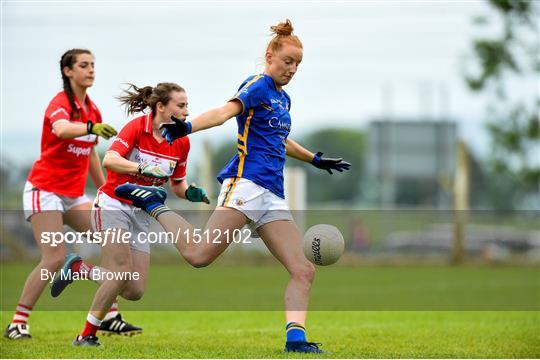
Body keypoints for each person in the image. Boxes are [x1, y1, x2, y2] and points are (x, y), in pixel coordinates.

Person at [115, 20, 350, 353]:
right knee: (198, 256)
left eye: (298, 64)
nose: (293, 69)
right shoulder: (257, 85)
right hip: (246, 185)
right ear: (270, 55)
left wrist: (314, 159)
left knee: (303, 269)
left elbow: (280, 140)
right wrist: (188, 128)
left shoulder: (284, 100)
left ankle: (295, 341)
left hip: (272, 194)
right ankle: (154, 203)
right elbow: (224, 113)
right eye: (288, 61)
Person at [3, 48, 141, 340]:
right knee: (53, 259)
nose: (90, 70)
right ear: (68, 71)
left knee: (112, 240)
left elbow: (91, 155)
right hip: (45, 190)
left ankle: (109, 317)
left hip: (74, 195)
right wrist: (89, 127)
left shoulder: (93, 110)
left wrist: (108, 191)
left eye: (93, 65)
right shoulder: (60, 104)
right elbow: (63, 129)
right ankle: (18, 322)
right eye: (83, 65)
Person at [66, 82, 209, 347]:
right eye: (181, 105)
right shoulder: (136, 128)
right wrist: (142, 168)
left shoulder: (181, 142)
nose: (187, 112)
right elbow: (109, 160)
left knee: (134, 290)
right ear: (161, 107)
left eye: (187, 105)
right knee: (120, 273)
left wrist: (190, 193)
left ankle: (79, 268)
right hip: (113, 205)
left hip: (142, 214)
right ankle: (86, 335)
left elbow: (177, 184)